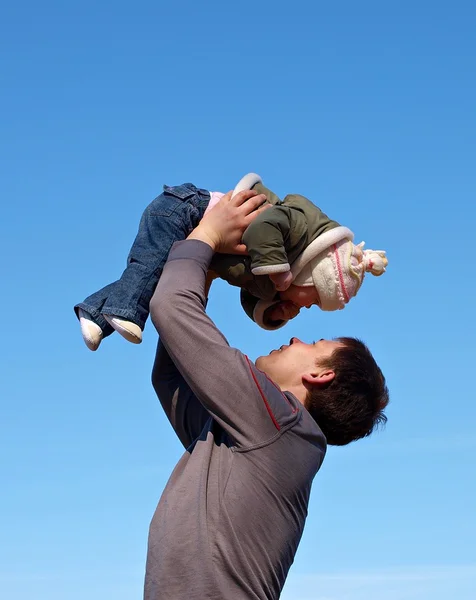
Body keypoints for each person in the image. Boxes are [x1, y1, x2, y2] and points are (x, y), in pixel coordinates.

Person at [144, 189, 389, 599]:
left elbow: (170, 309)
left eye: (314, 344)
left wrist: (207, 235)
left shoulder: (279, 422)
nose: (295, 337)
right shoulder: (265, 436)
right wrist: (207, 265)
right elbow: (170, 377)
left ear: (321, 374)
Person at [74, 174, 388, 350]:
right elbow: (264, 228)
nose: (308, 308)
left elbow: (247, 293)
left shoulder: (274, 277)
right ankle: (124, 312)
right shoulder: (293, 233)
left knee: (150, 277)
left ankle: (95, 312)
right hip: (185, 211)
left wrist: (271, 311)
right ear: (313, 277)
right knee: (145, 270)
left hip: (198, 243)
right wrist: (279, 274)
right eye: (316, 301)